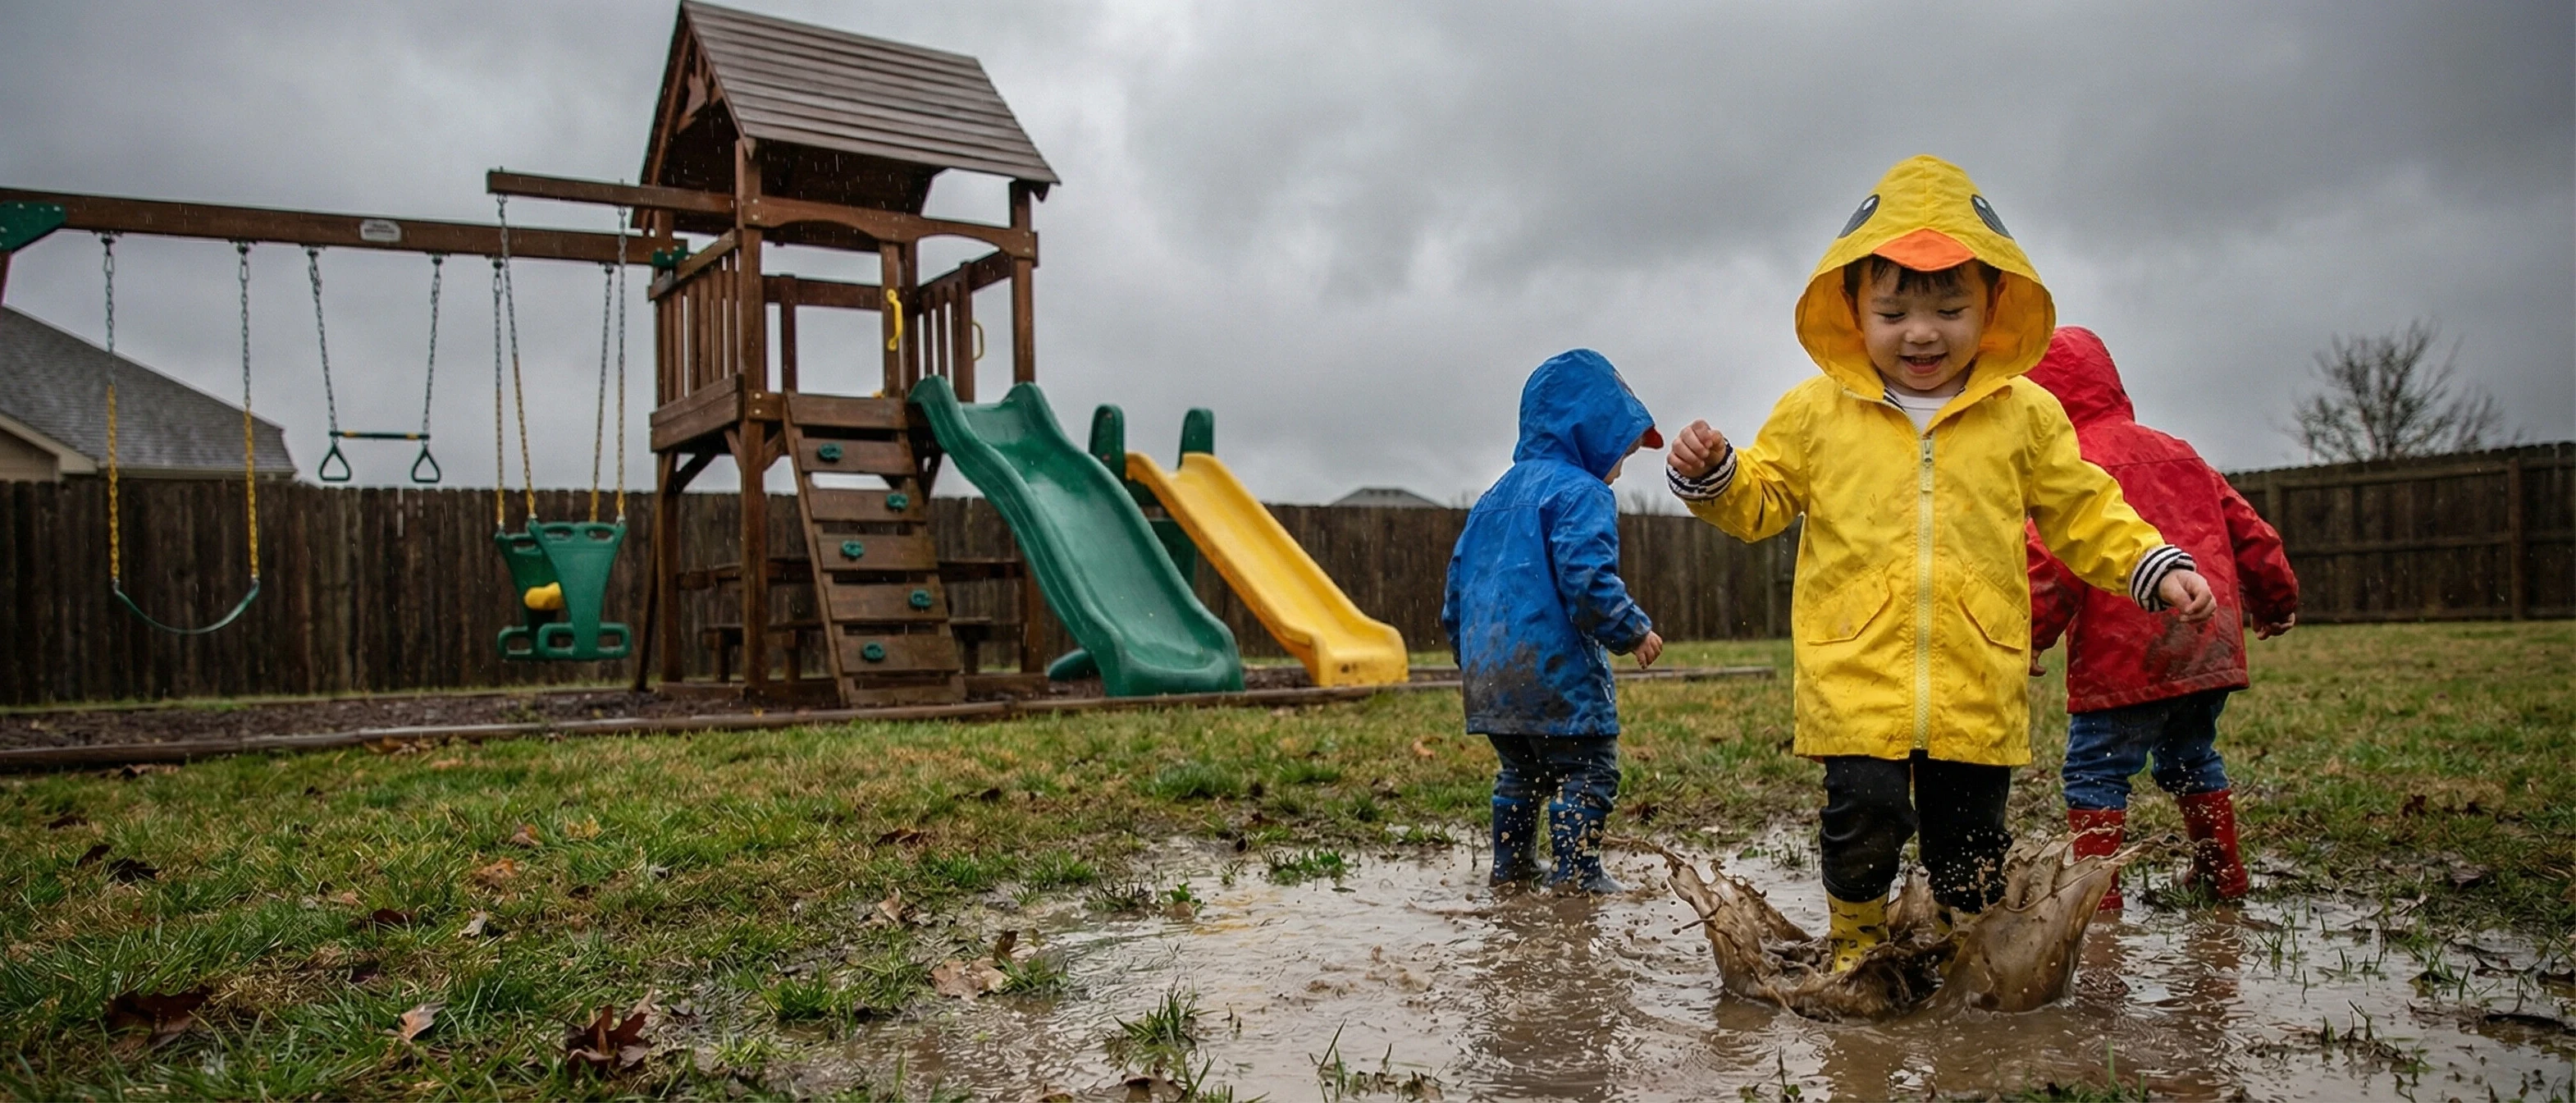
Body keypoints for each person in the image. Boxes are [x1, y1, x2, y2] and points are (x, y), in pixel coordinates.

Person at [1664, 155, 2217, 970]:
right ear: (1851, 308)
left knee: (1969, 844)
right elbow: (1762, 499)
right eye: (1892, 311)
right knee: (1865, 815)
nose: (1920, 333)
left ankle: (1964, 961)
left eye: (1947, 309)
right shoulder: (1814, 411)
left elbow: (2081, 507)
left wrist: (2151, 563)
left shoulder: (2022, 414)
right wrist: (1712, 475)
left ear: (1993, 304)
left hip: (1974, 674)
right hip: (1854, 670)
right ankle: (1853, 954)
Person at [2024, 326, 2300, 913]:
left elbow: (2051, 563)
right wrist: (2275, 600)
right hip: (2206, 645)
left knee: (2096, 773)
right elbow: (2247, 529)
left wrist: (2026, 637)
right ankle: (2221, 876)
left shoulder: (2072, 469)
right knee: (2192, 756)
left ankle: (2098, 901)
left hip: (2120, 656)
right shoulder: (2179, 450)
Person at [1442, 348, 1666, 895]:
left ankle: (1512, 868)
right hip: (1556, 672)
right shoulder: (1582, 492)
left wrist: (1470, 656)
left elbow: (1457, 592)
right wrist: (1630, 628)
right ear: (1591, 432)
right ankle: (1577, 876)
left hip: (1493, 681)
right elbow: (1585, 579)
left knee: (1520, 774)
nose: (1618, 468)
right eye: (1620, 451)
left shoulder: (1493, 498)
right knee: (1586, 770)